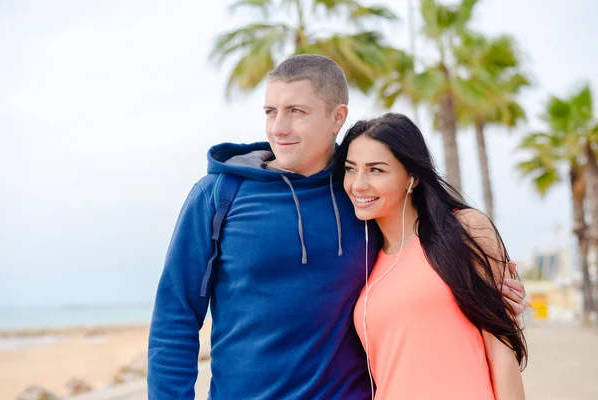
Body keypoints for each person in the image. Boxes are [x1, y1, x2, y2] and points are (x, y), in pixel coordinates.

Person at [147, 54, 527, 399]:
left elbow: (430, 254)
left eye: (296, 110)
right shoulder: (218, 195)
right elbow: (175, 318)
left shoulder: (362, 198)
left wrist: (494, 287)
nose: (279, 127)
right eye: (270, 111)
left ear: (337, 117)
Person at [337, 112, 527, 400]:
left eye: (376, 170)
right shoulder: (365, 261)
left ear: (411, 178)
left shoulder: (465, 229)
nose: (358, 184)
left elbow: (501, 347)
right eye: (351, 169)